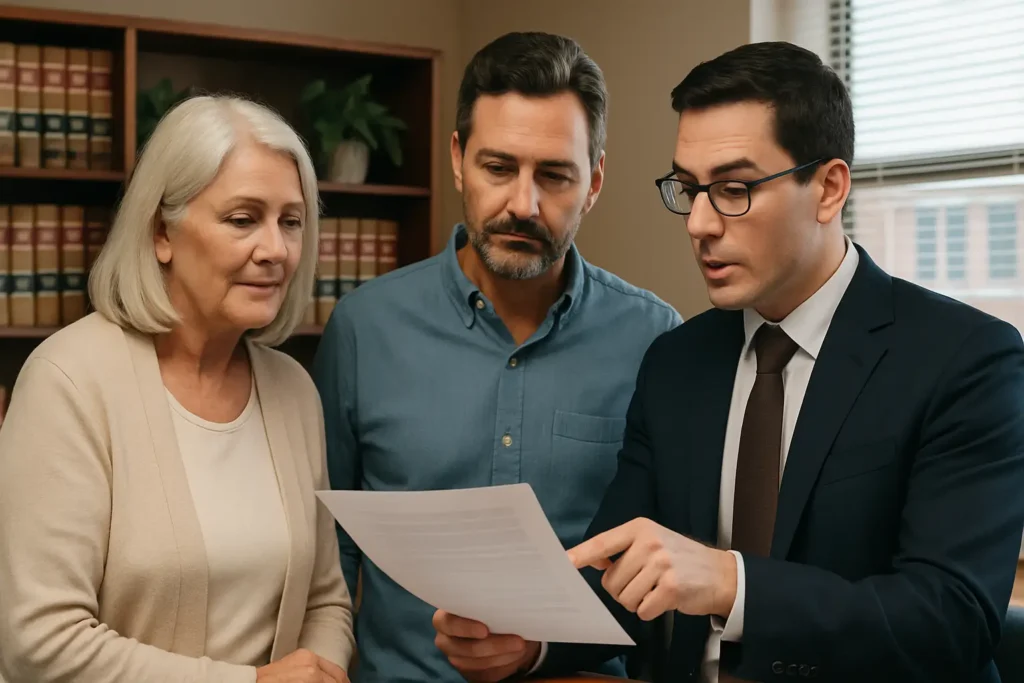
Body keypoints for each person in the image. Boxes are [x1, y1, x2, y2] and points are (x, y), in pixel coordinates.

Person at [432, 41, 1024, 683]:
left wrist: (730, 582)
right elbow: (619, 581)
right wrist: (531, 645)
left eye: (734, 189)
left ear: (828, 188)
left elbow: (951, 620)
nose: (700, 224)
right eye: (689, 190)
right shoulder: (676, 361)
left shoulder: (967, 360)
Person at [312, 31, 682, 683]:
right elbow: (327, 562)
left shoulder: (656, 340)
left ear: (594, 180)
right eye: (498, 167)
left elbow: (668, 566)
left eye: (555, 174)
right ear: (458, 160)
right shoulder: (363, 330)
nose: (523, 203)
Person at [0, 95, 355, 683]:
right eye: (243, 219)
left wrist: (323, 673)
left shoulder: (293, 390)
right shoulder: (67, 381)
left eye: (291, 221)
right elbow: (39, 641)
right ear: (162, 233)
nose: (276, 250)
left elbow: (326, 601)